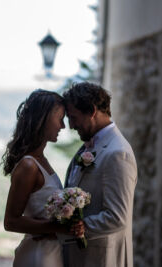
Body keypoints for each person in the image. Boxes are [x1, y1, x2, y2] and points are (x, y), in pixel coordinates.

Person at [1, 89, 84, 267]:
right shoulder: (29, 166)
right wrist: (59, 228)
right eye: (60, 118)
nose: (63, 126)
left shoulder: (41, 160)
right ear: (43, 118)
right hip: (38, 257)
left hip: (50, 252)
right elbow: (11, 221)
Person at [62, 82, 138, 267]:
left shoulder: (118, 153)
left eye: (73, 117)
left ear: (92, 111)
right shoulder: (89, 145)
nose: (70, 125)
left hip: (101, 259)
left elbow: (117, 217)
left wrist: (81, 226)